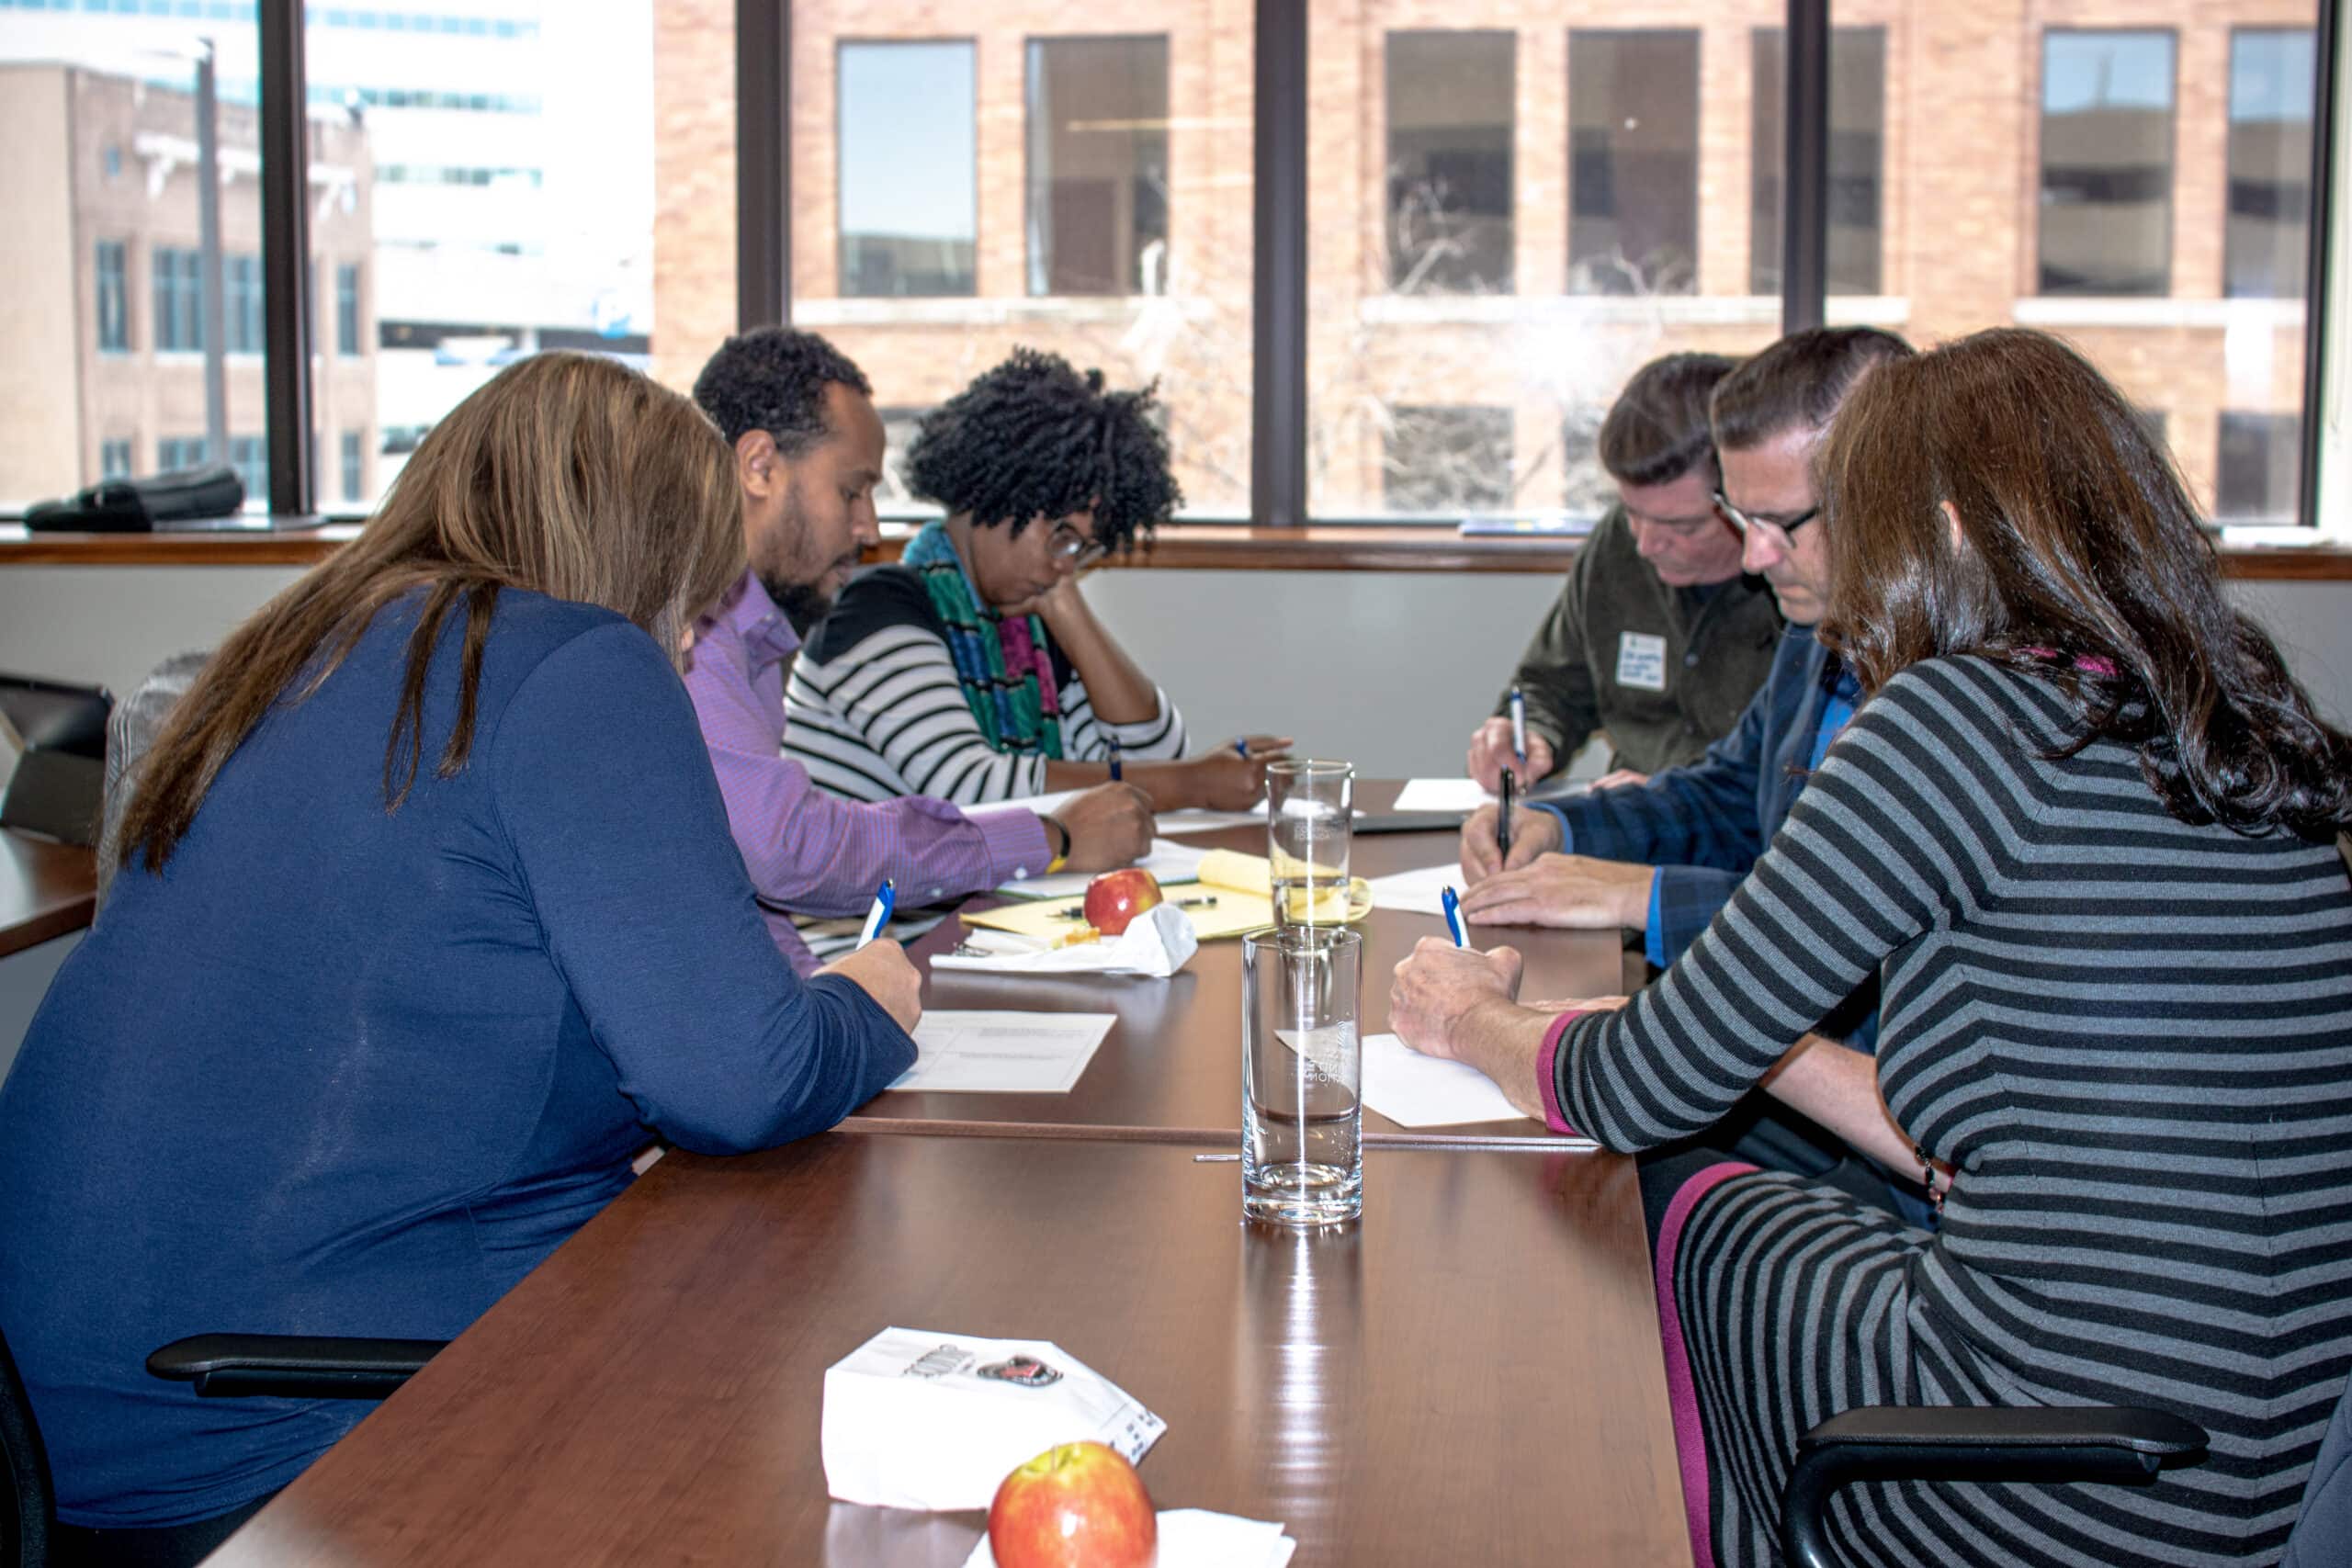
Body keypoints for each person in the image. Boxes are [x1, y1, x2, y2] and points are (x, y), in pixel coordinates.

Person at [1391, 327, 2352, 1567]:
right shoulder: (2245, 723)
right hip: (2277, 1460)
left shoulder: (1955, 717)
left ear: (1943, 531)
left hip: (2082, 1471)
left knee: (1663, 1206)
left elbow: (1637, 1085)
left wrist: (1467, 1012)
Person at [0, 353, 923, 1565]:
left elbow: (438, 987)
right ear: (642, 548)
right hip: (270, 1432)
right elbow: (739, 1076)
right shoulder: (576, 662)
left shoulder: (316, 642)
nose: (696, 638)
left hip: (74, 1406)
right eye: (694, 603)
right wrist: (870, 1001)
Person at [686, 330, 1155, 971]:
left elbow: (755, 901)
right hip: (883, 943)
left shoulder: (758, 642)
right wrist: (1059, 834)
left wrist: (822, 1016)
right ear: (760, 466)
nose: (869, 528)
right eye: (852, 491)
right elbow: (794, 849)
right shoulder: (704, 635)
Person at [1458, 327, 1913, 972]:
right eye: (1743, 518)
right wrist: (1564, 826)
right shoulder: (1817, 629)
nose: (1756, 555)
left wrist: (1640, 894)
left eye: (1777, 524)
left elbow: (1849, 928)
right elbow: (1730, 796)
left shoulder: (1944, 675)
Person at [784, 347, 1285, 810]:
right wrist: (1192, 785)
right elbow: (969, 788)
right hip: (866, 907)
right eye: (1061, 535)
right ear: (1001, 494)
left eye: (1082, 548)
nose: (1065, 563)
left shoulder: (1025, 628)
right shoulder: (875, 608)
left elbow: (1151, 752)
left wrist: (1065, 609)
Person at [1465, 353, 1781, 795]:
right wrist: (1529, 733)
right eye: (1632, 512)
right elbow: (1550, 685)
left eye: (1682, 527)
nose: (1646, 544)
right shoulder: (1616, 547)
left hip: (1750, 845)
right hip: (1622, 823)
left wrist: (1678, 802)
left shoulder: (1799, 585)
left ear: (1748, 503)